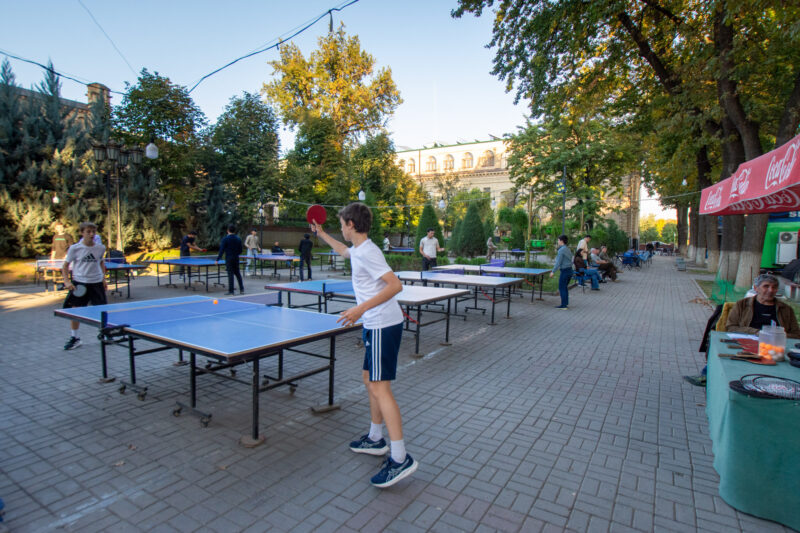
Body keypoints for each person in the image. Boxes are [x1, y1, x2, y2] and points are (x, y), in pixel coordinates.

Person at [310, 202, 418, 488]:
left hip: (383, 323)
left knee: (381, 388)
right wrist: (321, 233)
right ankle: (375, 438)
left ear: (352, 225)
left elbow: (395, 285)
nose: (341, 228)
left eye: (342, 224)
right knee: (369, 379)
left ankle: (400, 458)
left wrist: (359, 310)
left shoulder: (369, 252)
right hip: (374, 323)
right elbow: (344, 250)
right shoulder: (358, 250)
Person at [684, 274, 800, 387]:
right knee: (724, 354)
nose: (770, 290)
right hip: (747, 342)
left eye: (774, 287)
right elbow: (731, 327)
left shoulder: (786, 309)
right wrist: (756, 332)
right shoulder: (742, 305)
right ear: (756, 288)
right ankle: (706, 376)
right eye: (766, 286)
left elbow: (796, 334)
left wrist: (774, 336)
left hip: (774, 346)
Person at [61, 222, 107, 350]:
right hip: (80, 283)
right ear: (82, 233)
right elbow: (65, 266)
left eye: (93, 231)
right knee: (76, 311)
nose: (91, 234)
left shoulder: (100, 248)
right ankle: (75, 338)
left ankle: (104, 333)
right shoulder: (75, 248)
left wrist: (103, 278)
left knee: (102, 311)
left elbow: (101, 263)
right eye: (88, 231)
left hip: (96, 283)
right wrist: (67, 281)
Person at [217, 224, 244, 295]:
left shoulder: (225, 239)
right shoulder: (238, 239)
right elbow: (240, 250)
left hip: (229, 258)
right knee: (238, 273)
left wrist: (218, 259)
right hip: (236, 258)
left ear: (227, 231)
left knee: (230, 274)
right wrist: (236, 253)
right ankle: (241, 289)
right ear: (235, 231)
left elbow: (221, 250)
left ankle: (231, 290)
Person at [549, 235, 572, 309]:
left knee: (562, 287)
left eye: (558, 240)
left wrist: (553, 271)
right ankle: (565, 303)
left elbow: (558, 262)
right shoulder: (568, 249)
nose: (557, 241)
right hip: (569, 270)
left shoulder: (561, 250)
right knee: (564, 287)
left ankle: (563, 305)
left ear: (561, 241)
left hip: (565, 271)